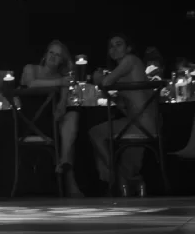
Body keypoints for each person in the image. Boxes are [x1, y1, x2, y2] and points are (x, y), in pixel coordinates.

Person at [90, 35, 157, 196]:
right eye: (111, 46)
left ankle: (117, 177)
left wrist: (98, 78)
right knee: (100, 134)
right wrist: (112, 96)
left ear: (128, 48)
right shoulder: (126, 70)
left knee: (95, 133)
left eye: (118, 44)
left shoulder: (130, 60)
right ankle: (128, 180)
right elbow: (124, 105)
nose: (114, 48)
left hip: (141, 124)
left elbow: (106, 82)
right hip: (136, 122)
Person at [20, 40, 82, 197]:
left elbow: (62, 107)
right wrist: (61, 82)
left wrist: (63, 91)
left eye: (58, 55)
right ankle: (69, 178)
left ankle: (65, 163)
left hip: (51, 122)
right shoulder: (31, 68)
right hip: (30, 123)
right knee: (67, 134)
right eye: (51, 53)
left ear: (62, 60)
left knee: (72, 115)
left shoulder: (63, 78)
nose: (53, 57)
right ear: (45, 55)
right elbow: (31, 83)